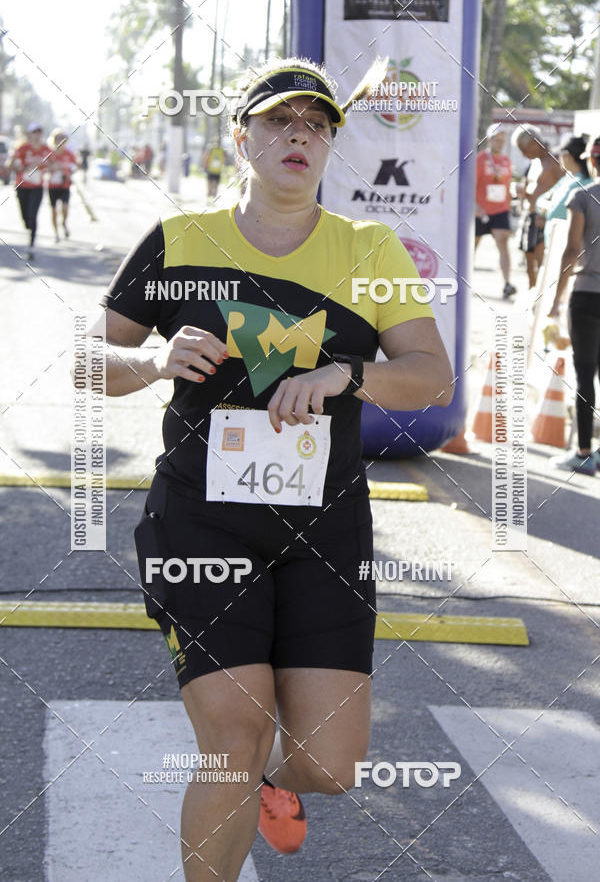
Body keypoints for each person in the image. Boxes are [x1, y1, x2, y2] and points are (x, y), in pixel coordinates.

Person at [96, 56, 453, 880]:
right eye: (279, 121)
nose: (300, 135)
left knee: (330, 765)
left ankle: (264, 786)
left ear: (330, 147)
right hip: (201, 522)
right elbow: (86, 364)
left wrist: (346, 375)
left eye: (317, 125)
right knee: (232, 737)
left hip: (325, 530)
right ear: (241, 138)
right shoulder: (180, 240)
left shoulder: (369, 247)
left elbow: (431, 372)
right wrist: (153, 365)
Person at [548, 135, 600, 475]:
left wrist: (555, 299)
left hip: (587, 293)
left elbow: (571, 251)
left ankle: (583, 451)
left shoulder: (582, 197)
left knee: (585, 373)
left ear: (591, 160)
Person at [512, 124, 563, 289]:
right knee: (529, 268)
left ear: (534, 143)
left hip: (545, 219)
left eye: (523, 149)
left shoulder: (555, 161)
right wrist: (522, 191)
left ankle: (544, 301)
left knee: (543, 266)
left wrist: (549, 213)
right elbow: (532, 191)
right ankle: (532, 301)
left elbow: (564, 191)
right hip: (530, 217)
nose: (523, 154)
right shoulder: (534, 163)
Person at [475, 123, 515, 298]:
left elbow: (506, 185)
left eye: (502, 140)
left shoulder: (506, 161)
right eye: (496, 139)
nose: (500, 143)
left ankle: (507, 283)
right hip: (480, 210)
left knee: (503, 244)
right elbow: (470, 184)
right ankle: (462, 281)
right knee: (472, 246)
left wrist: (510, 203)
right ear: (489, 139)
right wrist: (474, 206)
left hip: (500, 210)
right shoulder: (480, 159)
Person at [7, 122, 52, 260]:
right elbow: (10, 165)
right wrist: (22, 167)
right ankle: (28, 226)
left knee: (33, 215)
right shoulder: (22, 148)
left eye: (39, 132)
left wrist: (43, 167)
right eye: (34, 132)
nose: (37, 135)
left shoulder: (46, 149)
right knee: (25, 217)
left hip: (37, 187)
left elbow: (53, 166)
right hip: (22, 185)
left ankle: (31, 245)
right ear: (30, 134)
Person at [538, 134, 591, 245]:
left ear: (567, 156)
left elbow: (554, 213)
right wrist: (548, 205)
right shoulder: (567, 179)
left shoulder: (579, 183)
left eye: (560, 155)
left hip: (566, 247)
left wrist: (547, 205)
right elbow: (540, 201)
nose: (558, 158)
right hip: (558, 244)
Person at [47, 130, 78, 242]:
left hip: (65, 184)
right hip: (52, 185)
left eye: (63, 140)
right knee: (54, 210)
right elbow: (44, 167)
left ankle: (64, 223)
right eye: (58, 139)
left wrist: (70, 172)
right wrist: (52, 168)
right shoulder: (50, 153)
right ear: (54, 141)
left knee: (65, 207)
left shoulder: (69, 154)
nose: (60, 142)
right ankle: (56, 233)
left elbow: (75, 166)